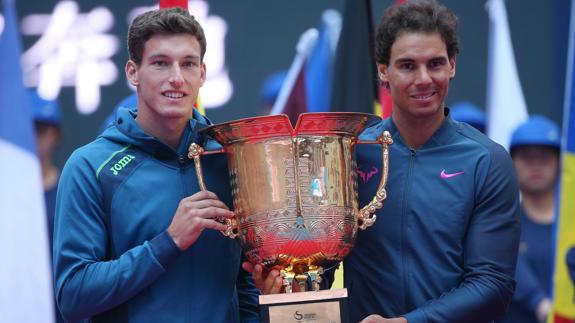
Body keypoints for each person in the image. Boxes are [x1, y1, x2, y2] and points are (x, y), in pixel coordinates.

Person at [53, 7, 259, 322]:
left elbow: (245, 284)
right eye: (161, 63)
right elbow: (73, 295)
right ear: (133, 72)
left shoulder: (229, 158)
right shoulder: (90, 167)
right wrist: (169, 241)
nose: (176, 78)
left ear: (202, 74)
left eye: (188, 64)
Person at [321, 1, 520, 322]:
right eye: (408, 65)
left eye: (436, 63)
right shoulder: (348, 151)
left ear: (452, 65)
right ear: (382, 69)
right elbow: (320, 265)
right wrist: (286, 290)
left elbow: (493, 283)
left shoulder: (487, 160)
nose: (424, 78)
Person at [498, 115, 561, 323]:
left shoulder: (570, 223)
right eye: (526, 156)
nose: (536, 164)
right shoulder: (497, 222)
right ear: (512, 162)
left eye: (544, 156)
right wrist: (540, 303)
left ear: (559, 162)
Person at [30, 90, 66, 323]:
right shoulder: (7, 197)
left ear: (56, 135)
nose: (33, 138)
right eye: (28, 129)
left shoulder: (70, 191)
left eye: (41, 130)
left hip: (61, 309)